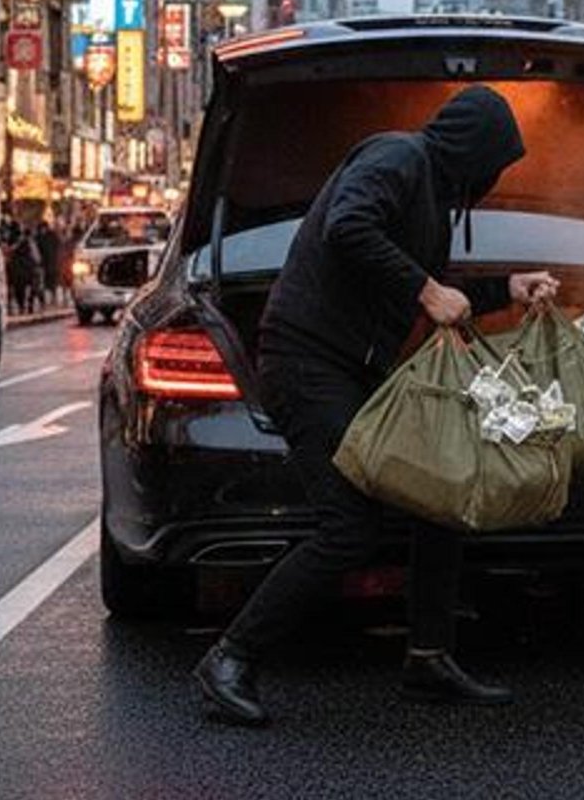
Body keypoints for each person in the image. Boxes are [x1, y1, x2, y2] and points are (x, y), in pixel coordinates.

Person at [194, 86, 559, 725]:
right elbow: (349, 227)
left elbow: (441, 289)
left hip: (355, 371)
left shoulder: (435, 195)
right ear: (475, 152)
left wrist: (507, 286)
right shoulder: (397, 158)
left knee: (438, 491)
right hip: (304, 364)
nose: (496, 179)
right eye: (497, 163)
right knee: (348, 526)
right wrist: (424, 290)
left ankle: (428, 657)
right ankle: (229, 657)